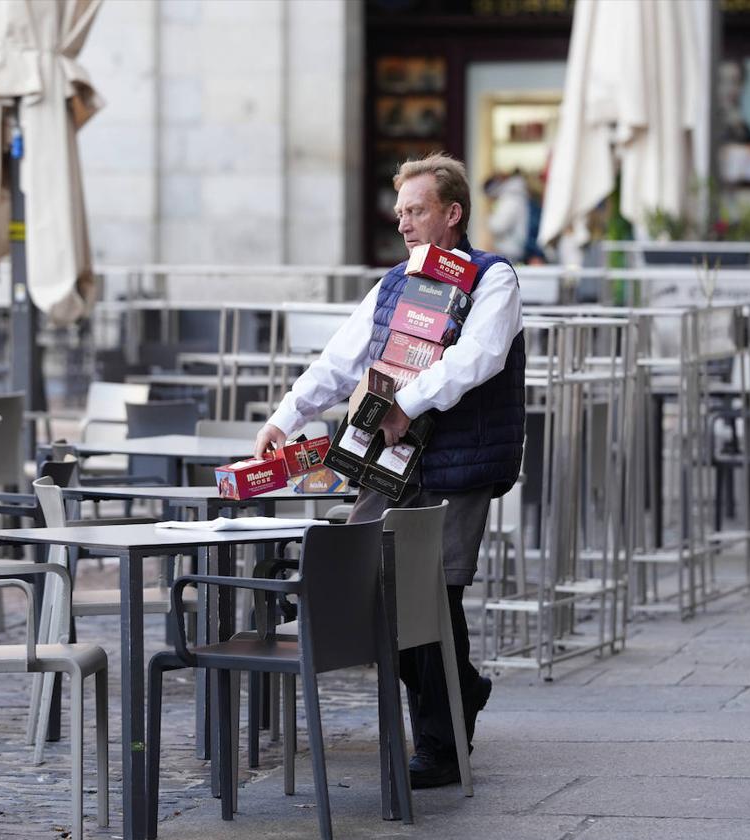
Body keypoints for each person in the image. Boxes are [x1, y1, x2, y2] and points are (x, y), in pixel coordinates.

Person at [253, 152, 525, 788]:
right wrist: (285, 417)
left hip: (459, 462)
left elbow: (478, 359)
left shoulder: (494, 279)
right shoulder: (396, 281)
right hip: (389, 459)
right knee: (371, 584)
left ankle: (441, 745)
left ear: (452, 213)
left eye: (417, 210)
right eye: (400, 210)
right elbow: (342, 360)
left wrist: (405, 402)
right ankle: (464, 688)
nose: (403, 222)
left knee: (432, 593)